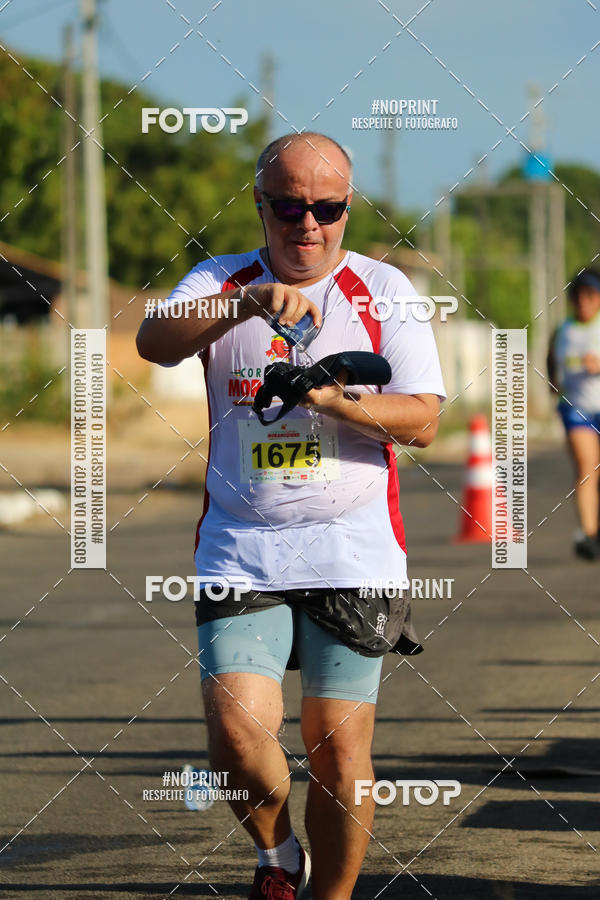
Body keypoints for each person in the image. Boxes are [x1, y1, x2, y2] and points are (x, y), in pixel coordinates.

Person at [137, 132, 445, 899]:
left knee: (339, 753)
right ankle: (278, 854)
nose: (307, 223)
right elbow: (153, 341)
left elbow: (424, 419)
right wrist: (243, 301)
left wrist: (332, 399)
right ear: (260, 204)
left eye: (327, 207)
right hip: (242, 547)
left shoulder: (385, 289)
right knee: (237, 739)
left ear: (348, 207)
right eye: (288, 206)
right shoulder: (219, 280)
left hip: (353, 548)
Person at [548, 268, 600, 561]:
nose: (585, 302)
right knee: (587, 467)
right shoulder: (564, 331)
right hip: (576, 409)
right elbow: (550, 362)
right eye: (579, 296)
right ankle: (588, 535)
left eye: (591, 295)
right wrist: (554, 386)